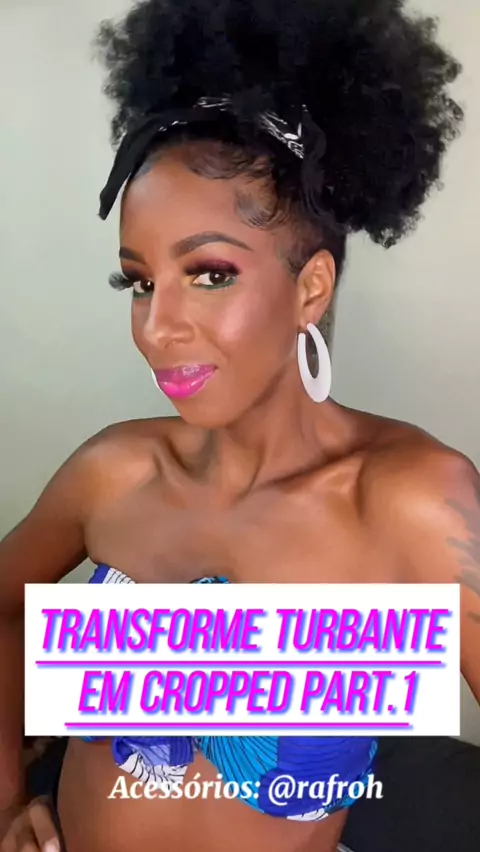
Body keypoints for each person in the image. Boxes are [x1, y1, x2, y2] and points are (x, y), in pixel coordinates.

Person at [0, 0, 479, 850]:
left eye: (210, 273)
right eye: (140, 282)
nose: (157, 328)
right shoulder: (115, 472)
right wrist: (7, 798)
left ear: (310, 288)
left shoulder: (410, 502)